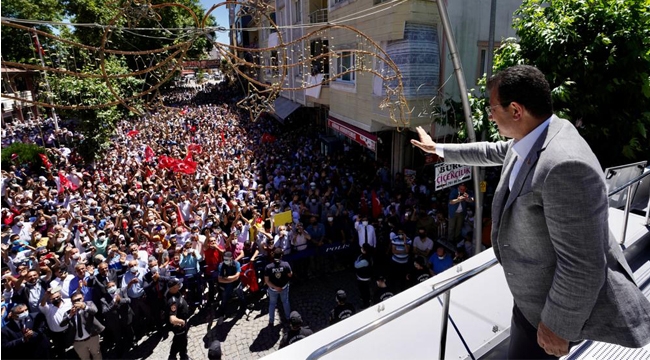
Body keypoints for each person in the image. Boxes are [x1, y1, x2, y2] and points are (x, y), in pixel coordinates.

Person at [411, 64, 650, 358]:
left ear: (515, 110)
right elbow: (493, 151)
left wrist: (556, 326)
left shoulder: (565, 166)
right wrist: (440, 149)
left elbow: (583, 264)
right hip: (530, 301)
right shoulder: (536, 135)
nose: (489, 115)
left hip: (548, 317)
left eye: (492, 108)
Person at [59, 293, 104, 360]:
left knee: (96, 354)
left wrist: (84, 307)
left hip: (92, 337)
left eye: (79, 299)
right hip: (78, 342)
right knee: (84, 358)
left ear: (83, 298)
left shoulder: (89, 304)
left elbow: (95, 311)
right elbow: (62, 324)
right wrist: (70, 315)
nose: (77, 302)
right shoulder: (69, 312)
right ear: (72, 302)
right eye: (75, 300)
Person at [39, 287, 72, 359]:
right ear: (50, 300)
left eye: (57, 297)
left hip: (68, 330)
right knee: (60, 351)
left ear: (61, 295)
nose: (56, 299)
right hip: (56, 334)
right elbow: (42, 305)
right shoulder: (48, 308)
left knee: (72, 348)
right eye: (53, 298)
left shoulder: (69, 302)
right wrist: (46, 296)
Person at [264, 248, 292, 326]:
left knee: (272, 304)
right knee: (285, 302)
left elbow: (267, 281)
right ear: (281, 256)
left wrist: (275, 287)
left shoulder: (268, 267)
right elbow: (290, 275)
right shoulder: (286, 264)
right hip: (284, 287)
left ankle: (271, 321)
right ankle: (288, 318)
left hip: (273, 289)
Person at [216, 251, 246, 324]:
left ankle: (244, 309)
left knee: (241, 297)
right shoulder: (221, 265)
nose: (225, 261)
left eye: (227, 259)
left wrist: (226, 278)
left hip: (236, 285)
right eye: (224, 259)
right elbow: (220, 279)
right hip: (226, 287)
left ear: (231, 258)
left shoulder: (236, 264)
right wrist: (231, 279)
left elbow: (237, 276)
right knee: (224, 301)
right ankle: (222, 315)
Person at [167, 278, 190, 360]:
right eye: (177, 284)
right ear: (173, 287)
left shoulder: (175, 292)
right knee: (181, 341)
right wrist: (181, 321)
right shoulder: (172, 301)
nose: (179, 285)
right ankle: (182, 356)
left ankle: (174, 356)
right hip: (179, 325)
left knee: (179, 339)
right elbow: (172, 319)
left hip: (182, 324)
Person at [354, 243, 373, 308]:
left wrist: (356, 260)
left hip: (363, 278)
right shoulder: (369, 256)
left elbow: (356, 265)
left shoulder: (364, 260)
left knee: (364, 291)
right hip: (366, 276)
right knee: (366, 290)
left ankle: (366, 303)